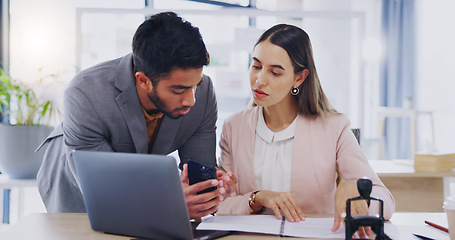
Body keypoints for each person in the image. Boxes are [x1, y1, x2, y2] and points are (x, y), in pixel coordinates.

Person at [36, 12, 233, 219]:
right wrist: (169, 204)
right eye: (178, 90)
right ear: (143, 80)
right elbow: (102, 188)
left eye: (195, 86)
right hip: (77, 191)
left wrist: (214, 189)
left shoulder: (203, 92)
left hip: (147, 189)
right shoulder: (86, 94)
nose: (191, 100)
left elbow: (199, 174)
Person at [217, 24, 395, 237]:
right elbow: (220, 205)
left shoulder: (333, 127)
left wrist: (358, 193)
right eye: (256, 66)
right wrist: (257, 198)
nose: (259, 80)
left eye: (275, 72)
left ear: (299, 78)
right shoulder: (233, 127)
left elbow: (385, 199)